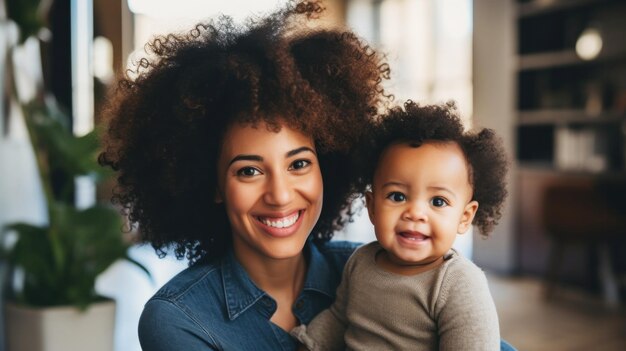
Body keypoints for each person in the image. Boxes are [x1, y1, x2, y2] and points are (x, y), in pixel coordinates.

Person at [97, 1, 390, 350]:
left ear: (327, 165)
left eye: (298, 164)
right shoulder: (179, 320)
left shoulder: (374, 271)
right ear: (214, 184)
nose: (280, 195)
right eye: (249, 171)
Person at [291, 100, 509, 350]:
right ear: (372, 206)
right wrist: (310, 343)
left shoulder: (459, 283)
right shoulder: (360, 261)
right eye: (397, 196)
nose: (415, 212)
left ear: (464, 217)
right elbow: (339, 318)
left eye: (438, 201)